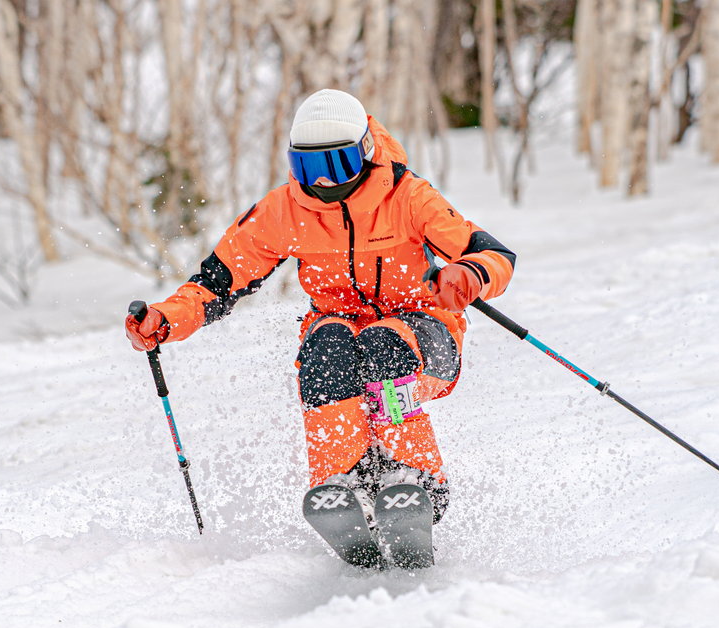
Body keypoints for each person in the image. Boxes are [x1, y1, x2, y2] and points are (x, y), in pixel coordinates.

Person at [125, 89, 515, 529]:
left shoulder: (408, 197)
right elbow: (217, 281)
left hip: (426, 333)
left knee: (382, 344)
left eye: (336, 165)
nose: (323, 182)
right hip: (342, 329)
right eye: (309, 167)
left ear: (365, 153)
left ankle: (418, 477)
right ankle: (343, 480)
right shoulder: (285, 210)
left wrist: (467, 276)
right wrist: (167, 319)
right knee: (326, 346)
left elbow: (494, 254)